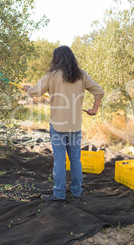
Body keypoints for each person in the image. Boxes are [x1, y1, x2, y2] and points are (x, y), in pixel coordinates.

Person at [22, 45, 104, 202]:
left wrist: (27, 88)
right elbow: (99, 91)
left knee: (59, 160)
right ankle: (77, 192)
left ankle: (59, 194)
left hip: (58, 126)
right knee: (75, 160)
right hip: (75, 125)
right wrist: (94, 109)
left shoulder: (52, 75)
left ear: (56, 58)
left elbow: (34, 92)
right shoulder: (82, 75)